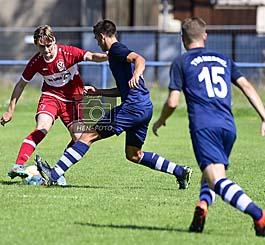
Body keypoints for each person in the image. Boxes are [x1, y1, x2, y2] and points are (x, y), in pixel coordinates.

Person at [36, 19, 192, 189]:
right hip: (144, 107)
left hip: (132, 108)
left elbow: (140, 59)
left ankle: (55, 173)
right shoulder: (114, 55)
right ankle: (180, 171)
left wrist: (136, 75)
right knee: (134, 154)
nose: (97, 43)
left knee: (87, 135)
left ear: (102, 36)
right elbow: (122, 90)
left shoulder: (116, 49)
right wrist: (99, 92)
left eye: (96, 39)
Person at [152, 17, 265, 236]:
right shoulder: (224, 59)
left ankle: (258, 214)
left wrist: (161, 120)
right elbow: (247, 86)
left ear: (183, 39)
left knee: (217, 179)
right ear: (205, 35)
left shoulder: (181, 62)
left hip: (204, 127)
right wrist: (263, 116)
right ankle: (203, 204)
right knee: (211, 172)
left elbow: (173, 102)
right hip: (228, 126)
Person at [1, 25, 108, 184]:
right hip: (51, 97)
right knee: (42, 127)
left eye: (49, 45)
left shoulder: (68, 53)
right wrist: (10, 110)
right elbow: (20, 85)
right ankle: (18, 165)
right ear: (37, 45)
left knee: (80, 138)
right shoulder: (36, 61)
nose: (46, 50)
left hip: (73, 100)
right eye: (42, 47)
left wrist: (109, 56)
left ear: (54, 41)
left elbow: (92, 56)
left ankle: (57, 170)